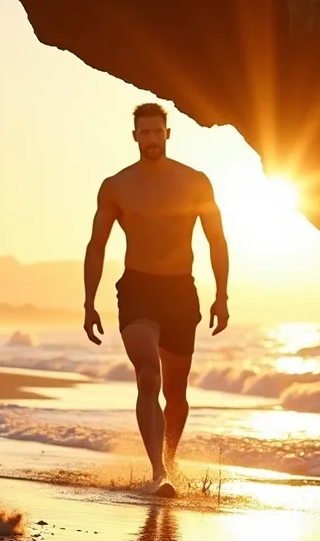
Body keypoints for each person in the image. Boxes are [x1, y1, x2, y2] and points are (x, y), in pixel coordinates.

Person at [82, 102, 230, 497]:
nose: (150, 139)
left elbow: (217, 240)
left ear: (168, 133)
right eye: (143, 132)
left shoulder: (196, 182)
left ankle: (170, 456)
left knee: (177, 392)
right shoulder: (117, 186)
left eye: (156, 131)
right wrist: (88, 302)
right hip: (138, 290)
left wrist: (222, 296)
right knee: (149, 374)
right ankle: (157, 472)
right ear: (134, 136)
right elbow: (97, 246)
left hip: (181, 291)